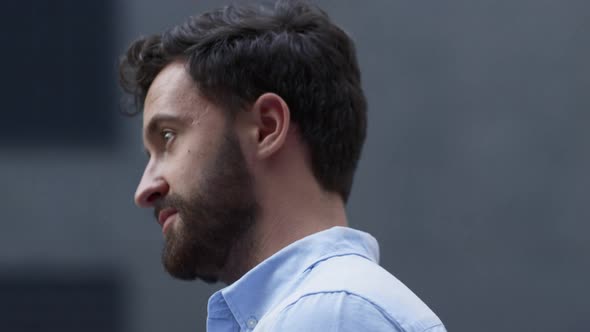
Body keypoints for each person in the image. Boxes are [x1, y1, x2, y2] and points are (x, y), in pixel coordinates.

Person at [119, 0, 446, 331]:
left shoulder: (328, 313)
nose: (144, 190)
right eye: (150, 155)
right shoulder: (335, 308)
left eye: (168, 137)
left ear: (266, 128)